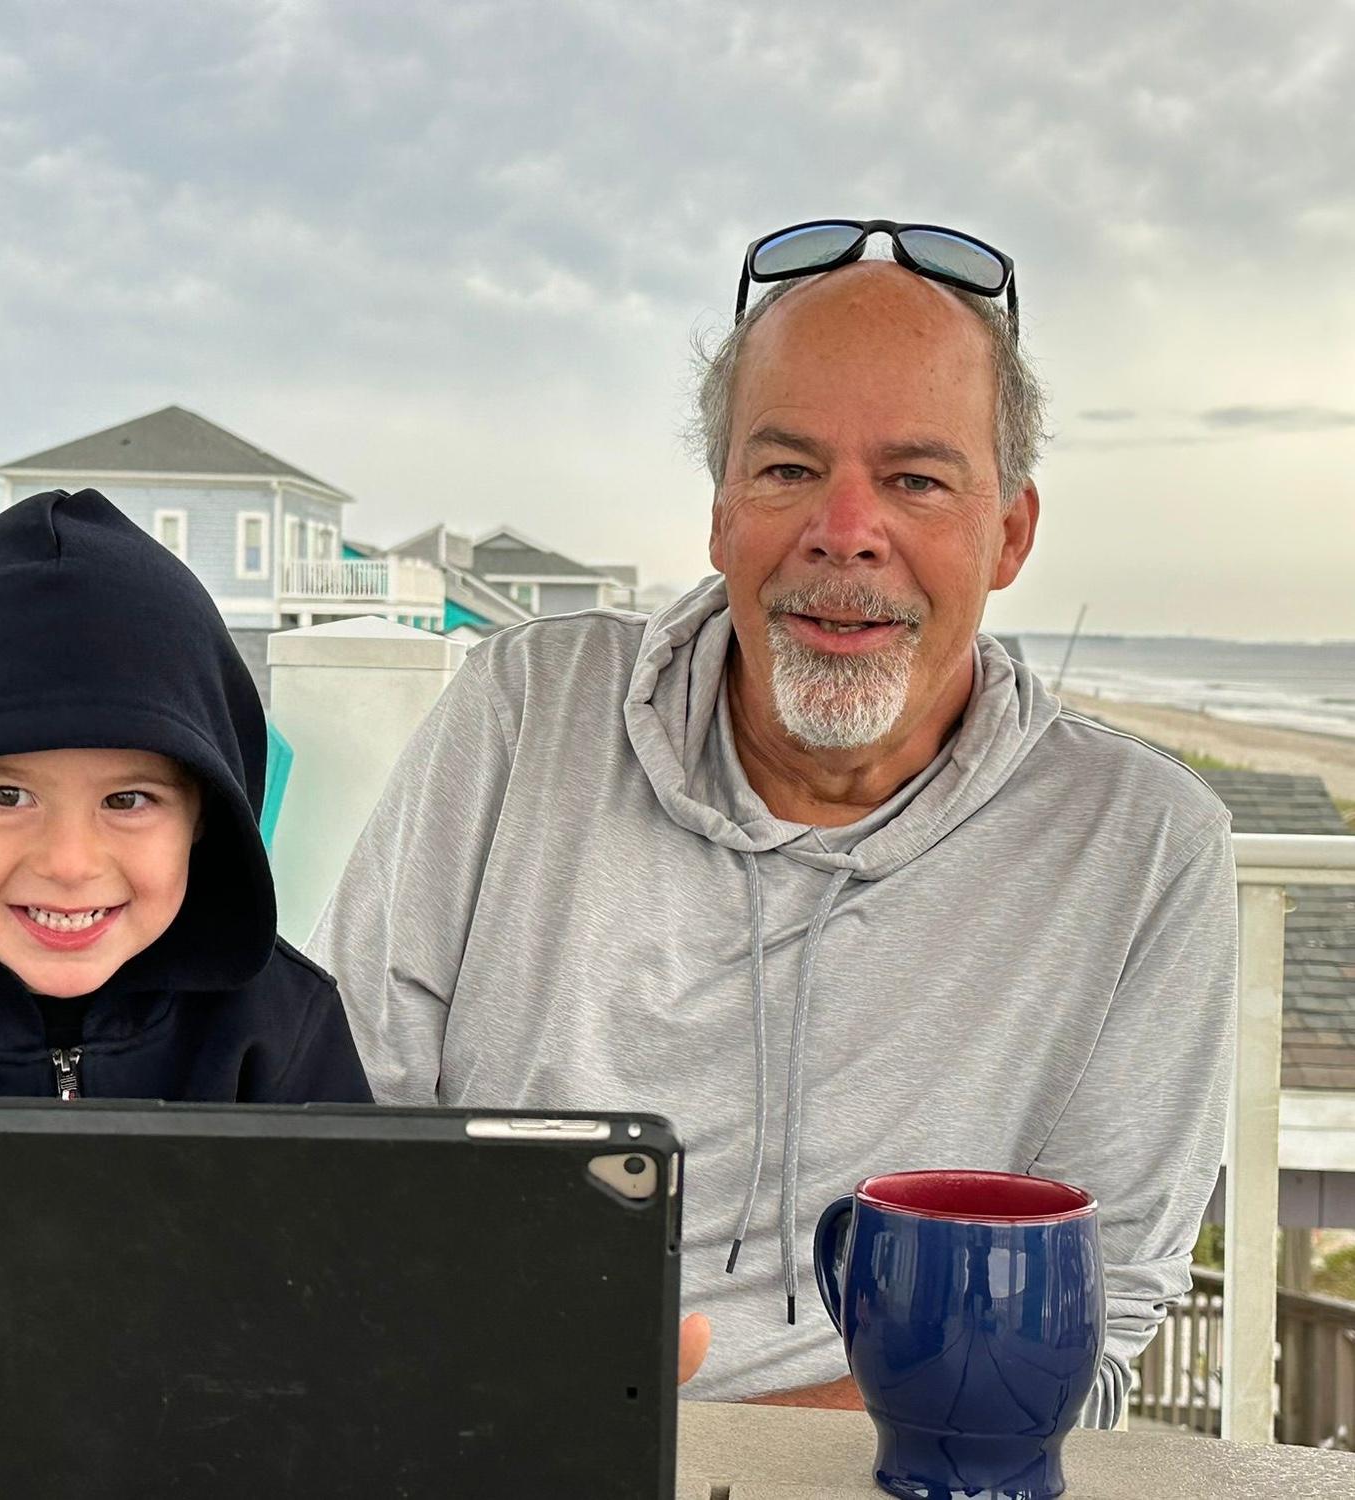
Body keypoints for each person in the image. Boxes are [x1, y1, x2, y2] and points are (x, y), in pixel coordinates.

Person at [308, 221, 1236, 1424]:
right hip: (481, 1432)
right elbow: (334, 1146)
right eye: (789, 469)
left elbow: (1090, 1329)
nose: (843, 531)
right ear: (719, 515)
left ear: (1008, 533)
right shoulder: (522, 714)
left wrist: (676, 1450)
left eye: (915, 479)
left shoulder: (1142, 844)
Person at [0, 489, 371, 1104]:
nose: (69, 864)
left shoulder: (282, 1030)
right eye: (5, 795)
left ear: (205, 810)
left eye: (127, 801)